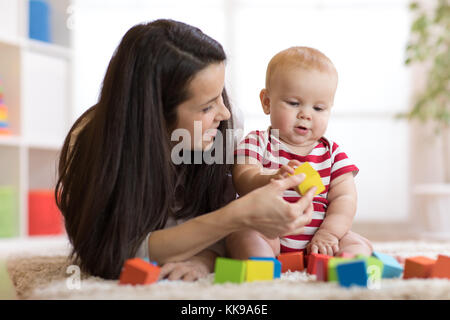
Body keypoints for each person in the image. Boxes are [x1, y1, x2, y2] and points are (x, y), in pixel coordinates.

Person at [55, 20, 316, 281]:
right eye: (206, 107)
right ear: (154, 116)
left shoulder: (224, 125)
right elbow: (109, 253)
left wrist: (205, 257)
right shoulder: (92, 142)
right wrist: (235, 216)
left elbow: (220, 229)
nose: (224, 112)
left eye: (221, 96)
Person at [226, 46, 373, 260]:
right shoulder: (258, 141)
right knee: (241, 236)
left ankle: (348, 268)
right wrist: (271, 179)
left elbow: (345, 198)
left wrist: (329, 234)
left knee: (356, 243)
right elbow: (242, 177)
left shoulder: (332, 154)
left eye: (319, 108)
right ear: (267, 102)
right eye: (294, 103)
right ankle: (261, 265)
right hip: (268, 231)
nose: (306, 114)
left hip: (319, 237)